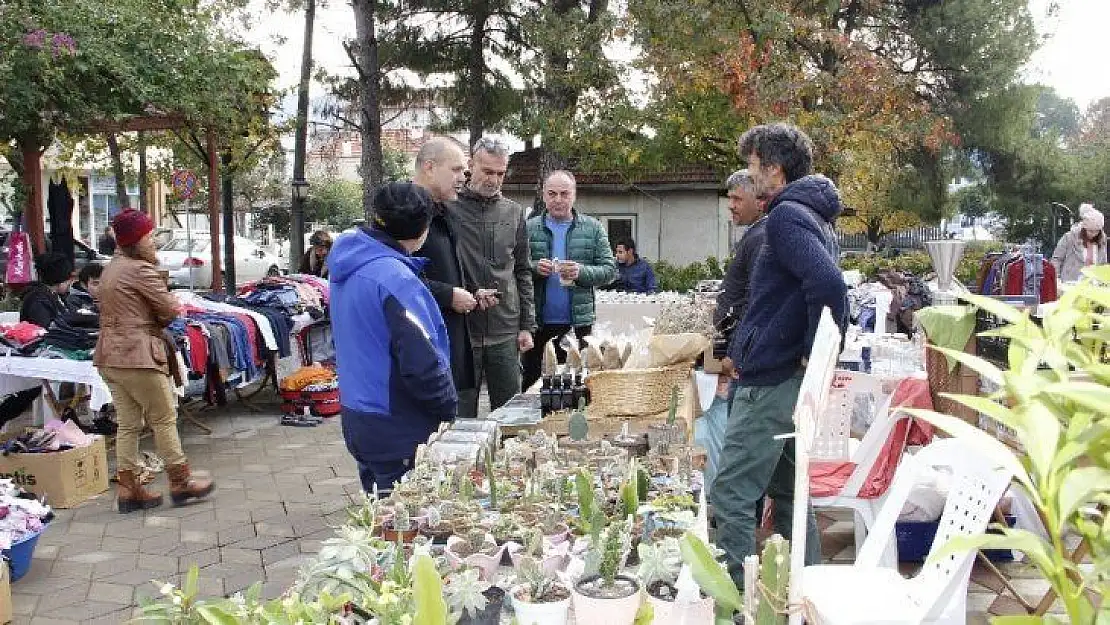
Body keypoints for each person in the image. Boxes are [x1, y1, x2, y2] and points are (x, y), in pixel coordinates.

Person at [713, 123, 848, 589]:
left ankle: (732, 603)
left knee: (730, 493)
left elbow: (829, 285)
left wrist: (815, 353)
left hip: (772, 380)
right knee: (791, 493)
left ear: (772, 168)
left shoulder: (789, 215)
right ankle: (808, 594)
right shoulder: (815, 214)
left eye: (753, 166)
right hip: (788, 379)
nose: (750, 177)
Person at [329, 182, 457, 493]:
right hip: (397, 423)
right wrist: (448, 409)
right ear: (423, 229)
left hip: (358, 413)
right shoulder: (396, 280)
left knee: (380, 514)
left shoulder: (348, 263)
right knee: (404, 524)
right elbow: (422, 363)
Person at [95, 209, 214, 513]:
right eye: (149, 237)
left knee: (129, 424)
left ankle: (128, 488)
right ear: (136, 240)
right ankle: (180, 481)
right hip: (137, 355)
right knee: (163, 417)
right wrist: (170, 308)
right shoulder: (140, 270)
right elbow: (169, 310)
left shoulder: (111, 268)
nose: (154, 243)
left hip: (110, 355)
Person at [453, 136, 536, 416]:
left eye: (500, 173)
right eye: (487, 171)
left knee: (510, 416)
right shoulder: (447, 208)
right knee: (461, 419)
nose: (494, 180)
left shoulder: (513, 212)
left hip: (505, 329)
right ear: (470, 165)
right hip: (463, 331)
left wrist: (527, 325)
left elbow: (523, 271)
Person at [522, 170, 617, 390]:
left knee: (579, 387)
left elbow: (610, 270)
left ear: (574, 195)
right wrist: (536, 268)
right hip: (538, 324)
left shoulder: (592, 228)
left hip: (579, 324)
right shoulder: (528, 228)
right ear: (543, 195)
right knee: (535, 386)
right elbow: (515, 268)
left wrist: (581, 272)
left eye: (564, 194)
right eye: (552, 194)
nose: (558, 200)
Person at [411, 137, 478, 415]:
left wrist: (471, 291)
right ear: (429, 167)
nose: (463, 177)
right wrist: (449, 295)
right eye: (455, 169)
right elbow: (395, 278)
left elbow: (442, 266)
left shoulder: (443, 211)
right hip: (423, 351)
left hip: (450, 343)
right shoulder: (406, 213)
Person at [715, 169, 766, 331]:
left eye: (737, 199)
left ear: (759, 202)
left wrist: (736, 350)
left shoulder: (761, 237)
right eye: (729, 198)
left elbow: (755, 301)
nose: (730, 206)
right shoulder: (755, 232)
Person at [1051, 203, 1107, 282]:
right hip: (1071, 284)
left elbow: (1103, 264)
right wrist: (1056, 280)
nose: (1094, 234)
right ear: (1084, 228)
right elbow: (1056, 260)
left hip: (1094, 286)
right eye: (1090, 231)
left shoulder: (1102, 239)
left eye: (1097, 231)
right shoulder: (1069, 237)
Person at [20, 252, 74, 328]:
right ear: (60, 280)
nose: (70, 283)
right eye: (69, 279)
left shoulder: (56, 295)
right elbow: (46, 328)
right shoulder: (37, 300)